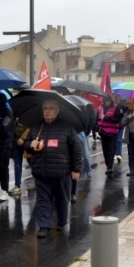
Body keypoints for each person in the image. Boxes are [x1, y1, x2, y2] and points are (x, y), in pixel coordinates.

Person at [24, 99, 82, 239]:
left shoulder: (67, 128)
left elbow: (76, 150)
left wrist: (76, 169)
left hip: (61, 173)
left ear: (57, 111)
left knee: (62, 200)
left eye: (51, 108)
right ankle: (44, 226)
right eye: (45, 108)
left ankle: (62, 221)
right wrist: (30, 144)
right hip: (41, 173)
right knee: (43, 201)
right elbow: (26, 146)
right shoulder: (36, 128)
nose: (47, 111)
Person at [98, 95, 122, 174]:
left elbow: (117, 120)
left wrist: (106, 118)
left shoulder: (116, 108)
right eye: (106, 101)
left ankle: (109, 167)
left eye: (108, 101)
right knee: (105, 150)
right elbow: (96, 120)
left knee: (111, 150)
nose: (107, 102)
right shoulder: (100, 108)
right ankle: (108, 164)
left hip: (113, 132)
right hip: (103, 132)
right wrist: (97, 128)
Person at [9, 118, 30, 197]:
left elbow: (30, 129)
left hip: (26, 142)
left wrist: (23, 139)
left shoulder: (30, 116)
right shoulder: (18, 115)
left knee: (32, 164)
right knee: (17, 164)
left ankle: (41, 185)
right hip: (16, 143)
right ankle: (17, 186)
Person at [121, 99, 134, 177]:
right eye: (127, 104)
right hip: (130, 136)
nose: (127, 105)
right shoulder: (127, 113)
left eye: (129, 104)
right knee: (130, 154)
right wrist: (128, 118)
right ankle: (132, 170)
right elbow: (122, 123)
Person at [113, 94, 127, 163]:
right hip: (114, 125)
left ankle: (118, 154)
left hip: (120, 125)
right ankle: (115, 153)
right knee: (114, 140)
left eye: (117, 98)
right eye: (115, 97)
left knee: (119, 140)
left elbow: (125, 114)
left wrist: (122, 112)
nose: (116, 99)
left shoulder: (122, 107)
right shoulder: (112, 107)